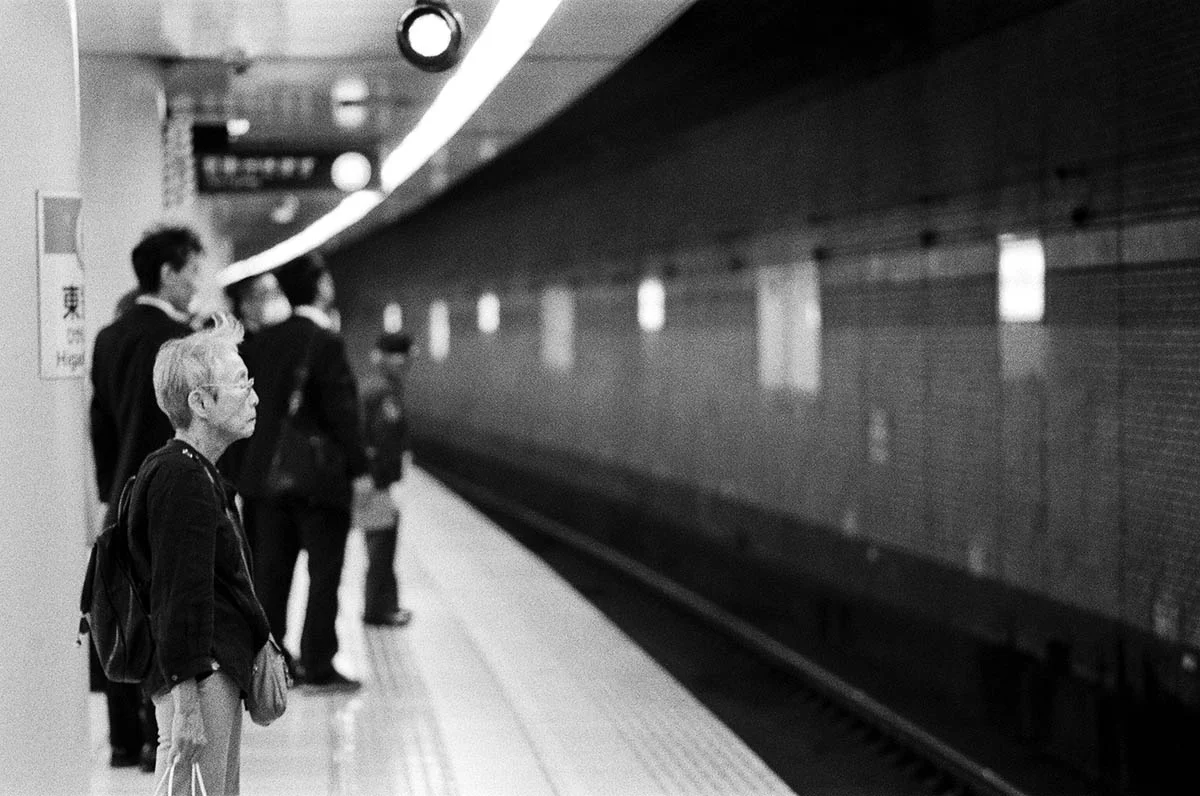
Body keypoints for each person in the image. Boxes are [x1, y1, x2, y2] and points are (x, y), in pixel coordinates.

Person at [133, 316, 270, 795]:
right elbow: (177, 595)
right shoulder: (182, 479)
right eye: (239, 384)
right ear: (200, 403)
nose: (253, 397)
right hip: (200, 673)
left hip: (209, 670)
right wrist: (187, 705)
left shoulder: (195, 470)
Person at [90, 224, 203, 771]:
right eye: (192, 271)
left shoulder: (108, 338)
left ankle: (121, 741)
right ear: (168, 273)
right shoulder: (182, 343)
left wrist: (110, 491)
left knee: (121, 608)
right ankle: (156, 736)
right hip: (171, 488)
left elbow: (101, 428)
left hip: (122, 495)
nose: (196, 283)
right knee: (166, 609)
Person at [234, 253, 368, 690]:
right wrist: (360, 469)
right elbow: (342, 412)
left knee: (271, 575)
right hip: (318, 483)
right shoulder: (325, 342)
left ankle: (272, 668)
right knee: (324, 573)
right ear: (319, 286)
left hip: (265, 482)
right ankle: (319, 662)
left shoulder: (262, 341)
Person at [356, 331, 417, 627]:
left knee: (381, 546)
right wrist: (383, 481)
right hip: (379, 482)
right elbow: (382, 440)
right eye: (400, 355)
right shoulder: (383, 391)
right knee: (382, 547)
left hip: (377, 480)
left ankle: (384, 606)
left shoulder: (376, 386)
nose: (404, 362)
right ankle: (378, 609)